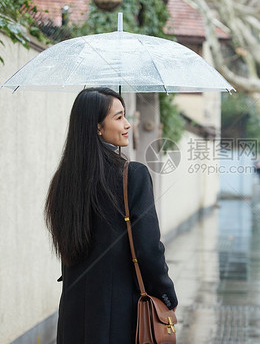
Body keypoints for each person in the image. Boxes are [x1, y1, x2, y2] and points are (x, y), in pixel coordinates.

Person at [45, 87, 178, 343]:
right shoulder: (132, 175)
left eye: (125, 115)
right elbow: (148, 248)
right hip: (119, 316)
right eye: (118, 117)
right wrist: (166, 293)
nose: (127, 124)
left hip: (74, 317)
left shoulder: (64, 179)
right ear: (97, 127)